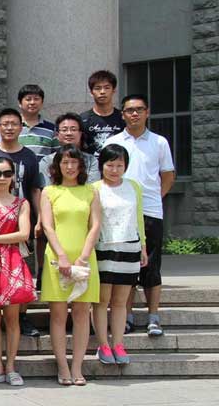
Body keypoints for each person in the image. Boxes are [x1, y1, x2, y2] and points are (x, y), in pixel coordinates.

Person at [104, 94, 175, 338]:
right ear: (122, 114)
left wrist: (153, 198)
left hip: (150, 211)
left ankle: (153, 317)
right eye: (129, 110)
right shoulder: (113, 142)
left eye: (139, 109)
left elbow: (168, 175)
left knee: (151, 265)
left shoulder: (159, 142)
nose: (134, 114)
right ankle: (127, 315)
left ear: (147, 112)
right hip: (119, 213)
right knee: (125, 266)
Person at [0, 108, 46, 338]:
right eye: (5, 124)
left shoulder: (29, 156)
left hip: (21, 215)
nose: (9, 128)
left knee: (22, 271)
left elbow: (35, 188)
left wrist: (39, 218)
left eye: (14, 124)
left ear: (21, 127)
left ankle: (22, 316)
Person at [40, 145, 102, 386]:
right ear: (57, 166)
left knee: (82, 313)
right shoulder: (49, 191)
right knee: (57, 314)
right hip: (57, 257)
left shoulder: (90, 191)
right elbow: (48, 226)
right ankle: (62, 366)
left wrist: (83, 257)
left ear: (81, 165)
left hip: (84, 257)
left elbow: (95, 225)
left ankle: (77, 366)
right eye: (65, 162)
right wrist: (62, 256)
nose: (69, 167)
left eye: (74, 162)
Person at [0, 157, 35, 386]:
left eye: (7, 173)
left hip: (12, 261)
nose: (2, 178)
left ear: (13, 176)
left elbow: (24, 234)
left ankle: (11, 365)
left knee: (12, 319)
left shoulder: (21, 203)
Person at [93, 144, 146, 366]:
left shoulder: (134, 187)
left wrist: (143, 246)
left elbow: (138, 218)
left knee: (120, 301)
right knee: (101, 300)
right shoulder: (94, 188)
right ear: (101, 165)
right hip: (104, 247)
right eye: (110, 165)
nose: (114, 170)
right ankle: (103, 344)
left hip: (130, 247)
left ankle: (118, 343)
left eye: (119, 165)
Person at [40, 113, 100, 186]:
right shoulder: (47, 161)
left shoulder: (91, 161)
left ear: (80, 134)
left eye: (73, 129)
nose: (69, 133)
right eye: (64, 130)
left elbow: (93, 188)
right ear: (57, 135)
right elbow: (47, 189)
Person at [82, 70, 125, 153]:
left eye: (107, 88)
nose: (102, 92)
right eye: (97, 88)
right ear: (91, 92)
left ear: (114, 90)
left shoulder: (123, 117)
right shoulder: (83, 119)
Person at [16, 84, 58, 159]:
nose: (32, 102)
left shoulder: (51, 129)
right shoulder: (12, 127)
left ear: (42, 103)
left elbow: (56, 155)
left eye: (36, 99)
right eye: (28, 99)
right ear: (20, 103)